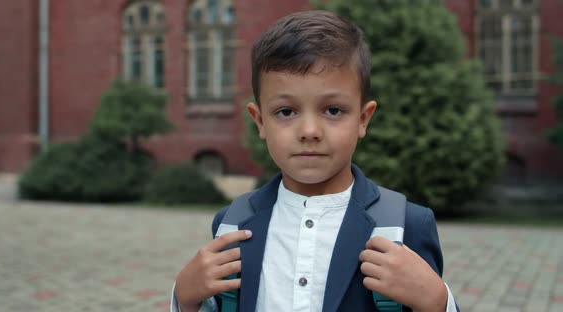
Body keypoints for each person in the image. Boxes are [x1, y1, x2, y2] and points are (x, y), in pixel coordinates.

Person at [171, 10, 458, 312]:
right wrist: (185, 299)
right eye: (286, 112)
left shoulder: (407, 225)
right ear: (260, 121)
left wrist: (438, 302)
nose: (309, 131)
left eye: (333, 110)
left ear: (363, 119)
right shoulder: (232, 223)